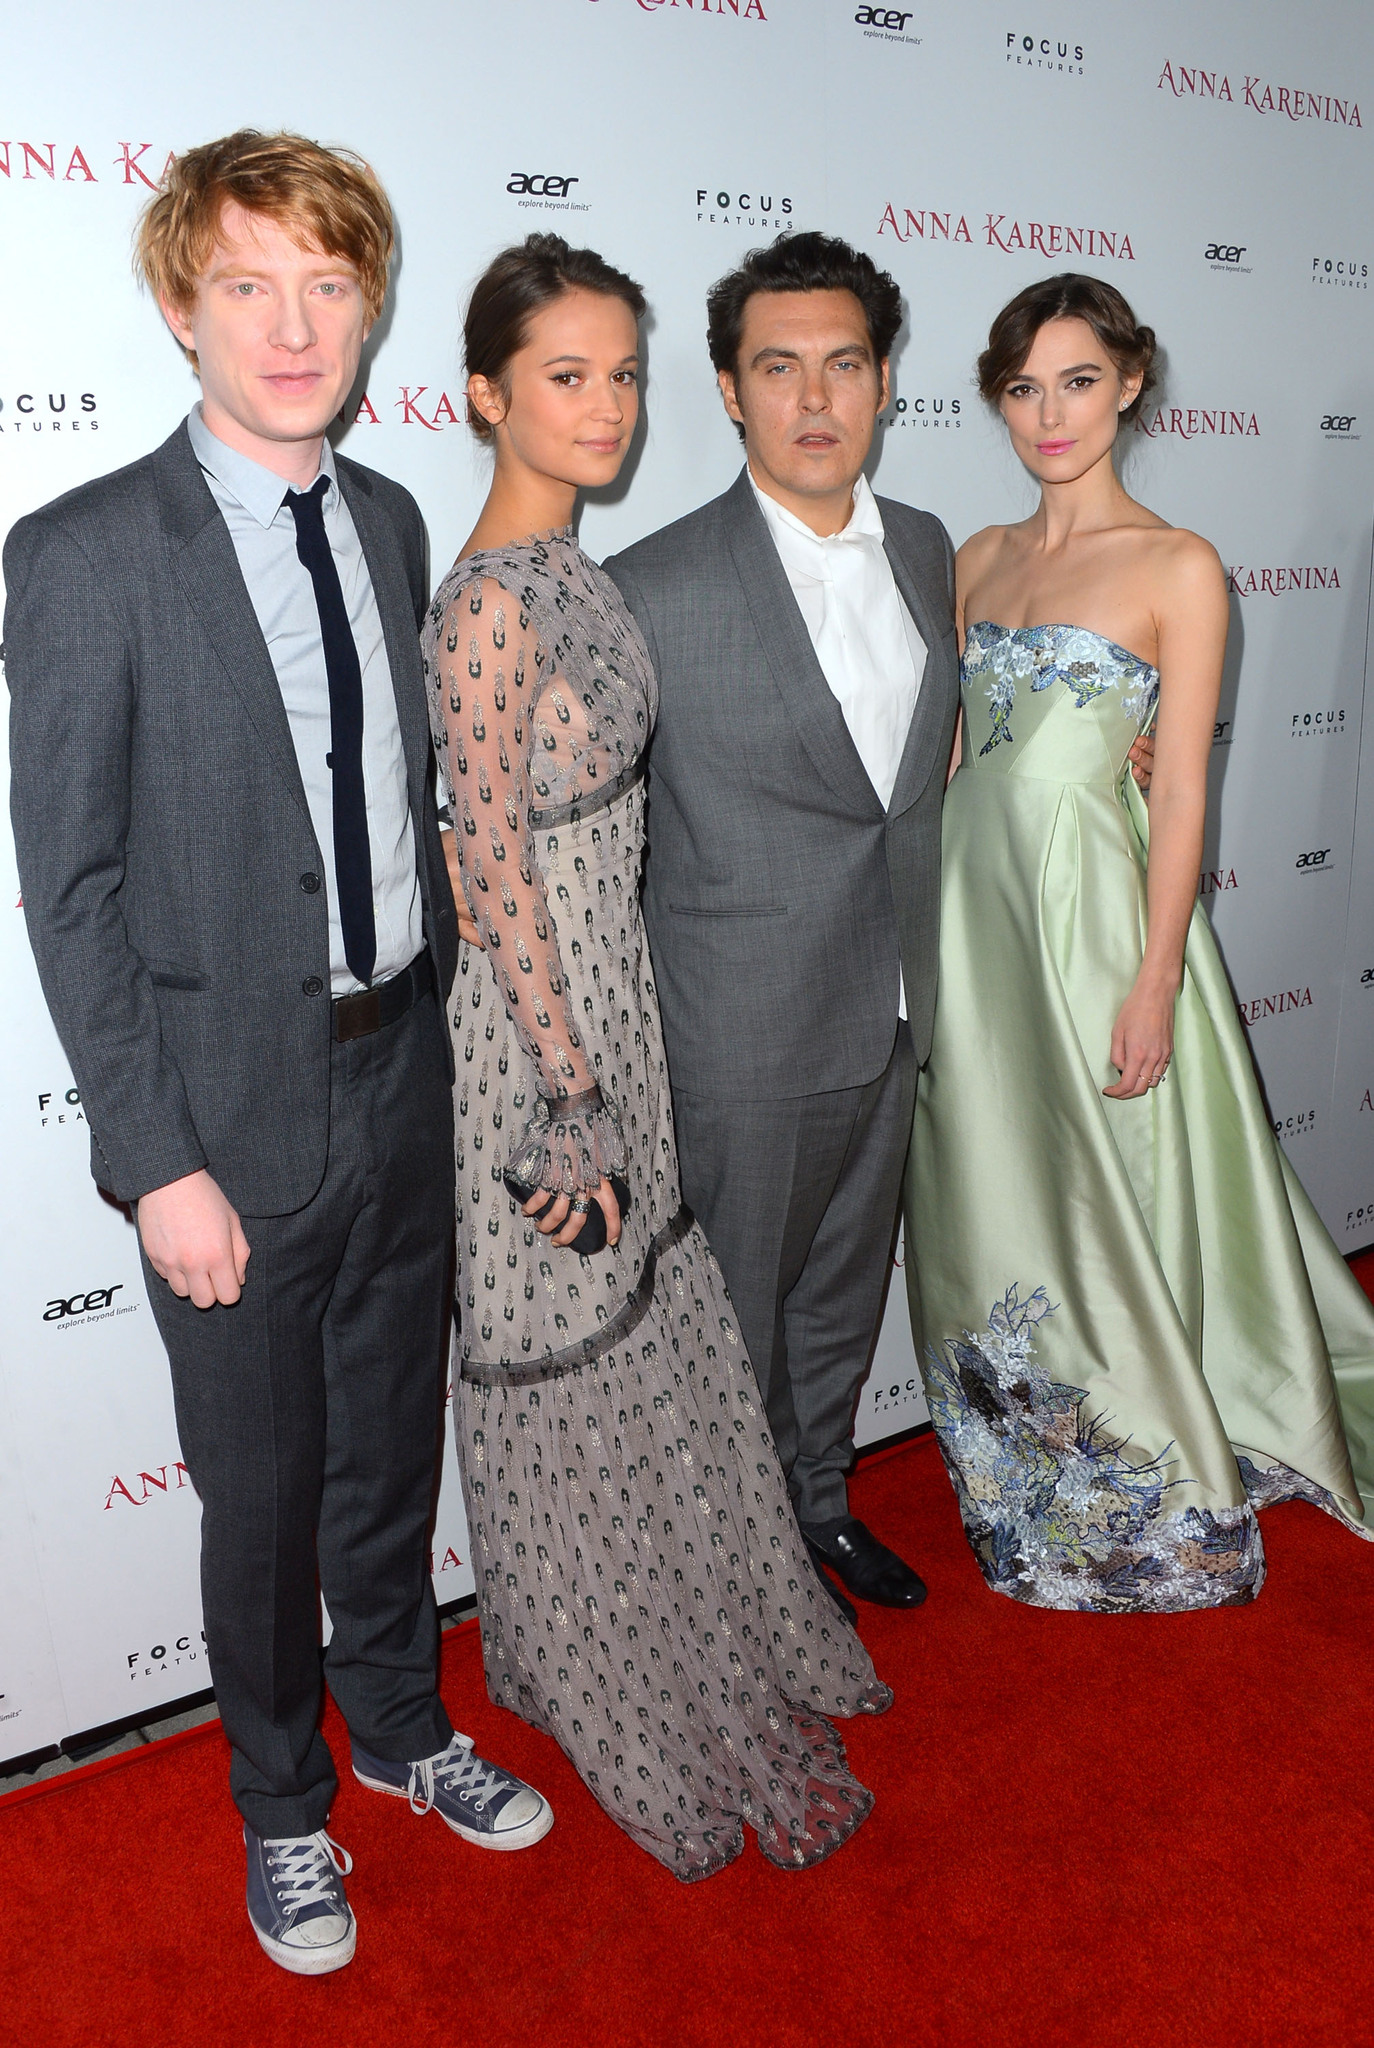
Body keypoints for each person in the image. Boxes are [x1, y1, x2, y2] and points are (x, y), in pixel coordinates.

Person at [4, 131, 551, 1979]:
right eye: (247, 283)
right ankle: (280, 1808)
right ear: (180, 308)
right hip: (225, 1123)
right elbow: (70, 894)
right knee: (255, 1493)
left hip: (403, 1069)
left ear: (371, 302)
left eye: (326, 282)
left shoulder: (395, 519)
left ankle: (399, 1728)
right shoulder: (81, 557)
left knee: (389, 1449)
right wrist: (156, 1163)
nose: (292, 322)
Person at [423, 232, 891, 1883]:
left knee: (645, 1344)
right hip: (537, 1044)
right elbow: (488, 875)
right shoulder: (485, 605)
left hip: (622, 999)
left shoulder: (582, 577)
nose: (605, 405)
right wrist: (569, 1102)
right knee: (568, 1360)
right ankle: (589, 1671)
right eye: (565, 376)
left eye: (621, 372)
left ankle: (679, 1633)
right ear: (484, 396)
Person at [902, 272, 1374, 1613]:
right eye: (1021, 386)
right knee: (991, 1176)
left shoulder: (1177, 564)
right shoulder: (974, 555)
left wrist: (1156, 976)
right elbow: (944, 760)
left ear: (1129, 385)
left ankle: (1141, 1463)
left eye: (1076, 381)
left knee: (1109, 1184)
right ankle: (1011, 1455)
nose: (1048, 414)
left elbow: (1180, 788)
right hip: (967, 914)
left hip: (1093, 923)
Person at [601, 232, 958, 1617]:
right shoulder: (653, 586)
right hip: (735, 1033)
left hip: (895, 1008)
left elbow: (920, 784)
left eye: (843, 365)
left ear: (881, 385)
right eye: (777, 367)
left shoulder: (928, 551)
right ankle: (724, 1590)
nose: (813, 398)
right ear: (728, 389)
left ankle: (816, 1510)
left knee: (833, 1309)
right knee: (727, 1331)